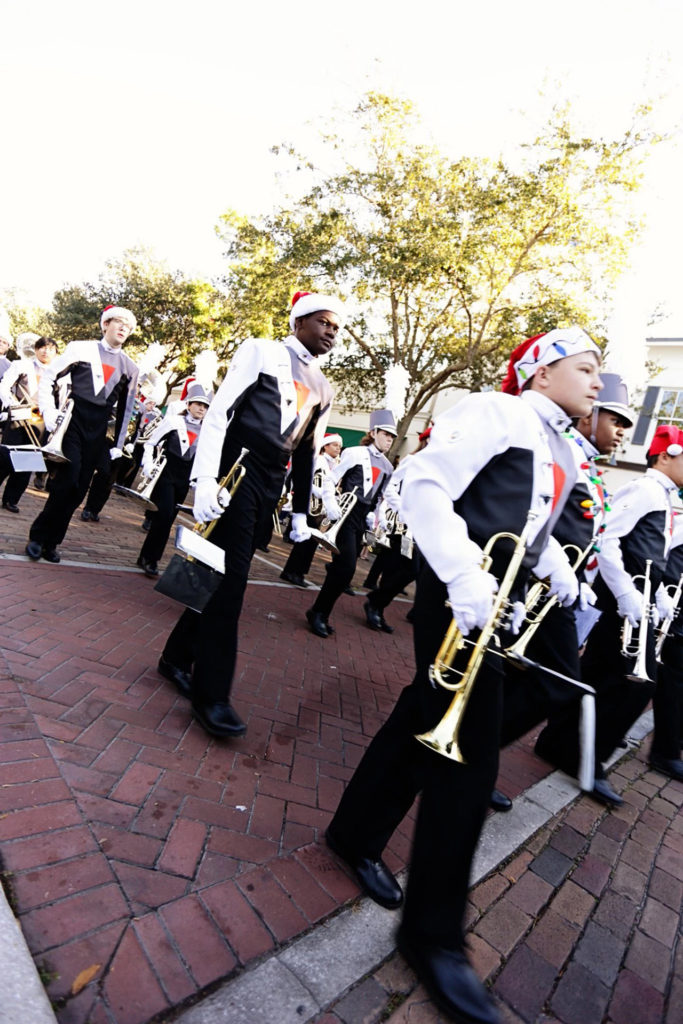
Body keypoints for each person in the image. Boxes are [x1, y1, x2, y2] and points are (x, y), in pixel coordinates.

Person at [325, 327, 602, 1024]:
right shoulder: (498, 411)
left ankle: (353, 833)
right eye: (586, 368)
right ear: (540, 373)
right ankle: (431, 939)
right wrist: (461, 574)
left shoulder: (554, 442)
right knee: (467, 765)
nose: (598, 382)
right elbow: (423, 483)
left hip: (490, 597)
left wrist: (556, 569)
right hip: (461, 595)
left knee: (424, 718)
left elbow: (529, 525)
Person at [157, 291, 341, 738]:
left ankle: (176, 657)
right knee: (234, 583)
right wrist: (203, 479)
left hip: (268, 486)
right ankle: (211, 696)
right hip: (234, 472)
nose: (332, 332)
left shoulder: (324, 386)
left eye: (337, 328)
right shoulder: (261, 350)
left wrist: (300, 513)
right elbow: (220, 414)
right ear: (299, 321)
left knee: (221, 574)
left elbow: (306, 452)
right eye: (324, 322)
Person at [496, 373, 634, 810]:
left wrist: (587, 583)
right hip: (538, 582)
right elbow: (538, 512)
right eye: (615, 420)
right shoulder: (564, 449)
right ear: (590, 416)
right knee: (554, 683)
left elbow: (592, 533)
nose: (620, 433)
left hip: (562, 592)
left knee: (522, 680)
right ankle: (474, 756)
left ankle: (475, 760)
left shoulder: (589, 464)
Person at [535, 421, 683, 805]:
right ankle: (587, 759)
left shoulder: (663, 496)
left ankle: (557, 741)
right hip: (625, 602)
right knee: (640, 682)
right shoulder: (645, 489)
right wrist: (626, 593)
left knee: (597, 673)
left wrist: (662, 593)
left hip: (638, 600)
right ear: (667, 456)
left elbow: (652, 553)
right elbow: (609, 540)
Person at [25, 305, 139, 563]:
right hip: (73, 421)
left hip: (98, 430)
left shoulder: (130, 367)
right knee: (67, 480)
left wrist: (118, 445)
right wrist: (50, 413)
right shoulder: (81, 348)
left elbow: (126, 409)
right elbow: (49, 379)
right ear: (106, 324)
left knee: (78, 489)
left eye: (129, 326)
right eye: (119, 322)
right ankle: (38, 537)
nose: (124, 328)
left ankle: (53, 542)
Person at [305, 410, 395, 638]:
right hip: (345, 513)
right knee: (346, 569)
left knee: (342, 573)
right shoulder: (354, 453)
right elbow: (331, 478)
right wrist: (330, 502)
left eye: (392, 437)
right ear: (374, 433)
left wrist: (374, 516)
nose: (389, 439)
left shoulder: (387, 467)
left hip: (361, 519)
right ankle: (318, 612)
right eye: (386, 434)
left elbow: (379, 497)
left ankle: (319, 612)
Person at [136, 383, 211, 577]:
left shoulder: (208, 431)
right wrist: (148, 463)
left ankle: (145, 556)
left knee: (168, 519)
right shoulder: (173, 422)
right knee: (163, 514)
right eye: (198, 404)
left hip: (184, 479)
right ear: (189, 404)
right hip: (166, 473)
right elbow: (151, 443)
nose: (202, 409)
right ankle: (151, 560)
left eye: (205, 406)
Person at [362, 429, 431, 633]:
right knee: (405, 567)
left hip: (418, 528)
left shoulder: (437, 467)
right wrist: (403, 509)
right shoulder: (412, 461)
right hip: (401, 525)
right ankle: (375, 605)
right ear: (426, 440)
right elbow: (390, 487)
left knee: (409, 570)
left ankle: (377, 605)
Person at [0, 335, 58, 512]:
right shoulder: (21, 365)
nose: (45, 351)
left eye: (50, 348)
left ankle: (11, 499)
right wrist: (11, 403)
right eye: (42, 347)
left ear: (55, 352)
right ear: (36, 349)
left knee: (27, 462)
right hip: (18, 416)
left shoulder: (58, 373)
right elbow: (4, 386)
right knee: (6, 457)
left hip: (40, 423)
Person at [279, 433, 343, 588]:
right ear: (325, 446)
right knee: (305, 541)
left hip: (320, 508)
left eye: (339, 446)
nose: (338, 449)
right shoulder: (320, 460)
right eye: (335, 445)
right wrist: (323, 493)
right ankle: (291, 571)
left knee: (312, 543)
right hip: (311, 506)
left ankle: (299, 572)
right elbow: (309, 479)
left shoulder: (334, 464)